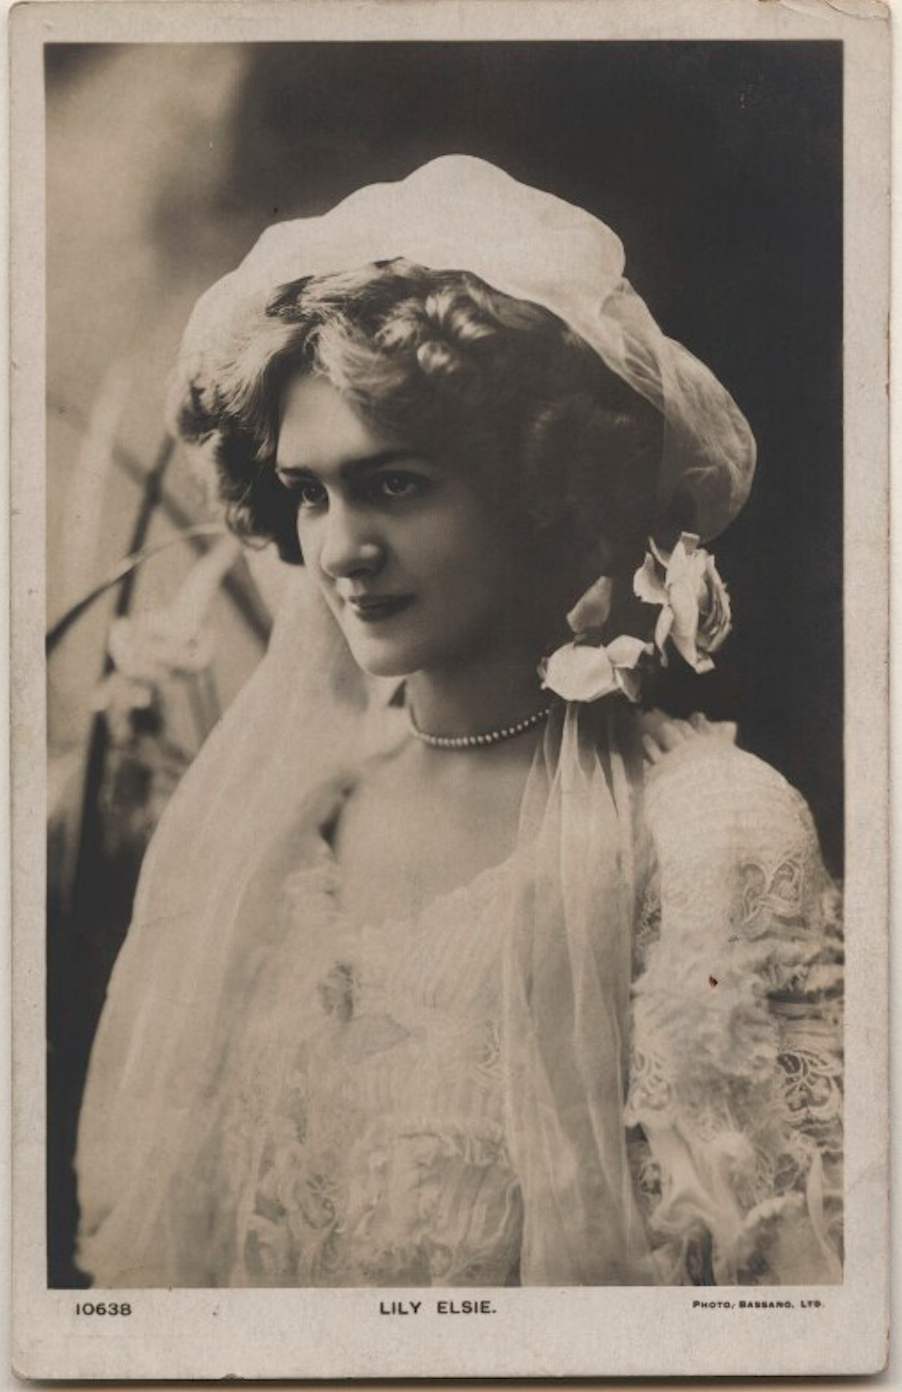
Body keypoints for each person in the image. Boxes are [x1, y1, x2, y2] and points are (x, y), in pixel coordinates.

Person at [74, 156, 843, 1289]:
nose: (338, 551)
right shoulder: (296, 815)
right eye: (310, 493)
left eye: (395, 486)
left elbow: (777, 1287)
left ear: (544, 488)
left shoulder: (707, 834)